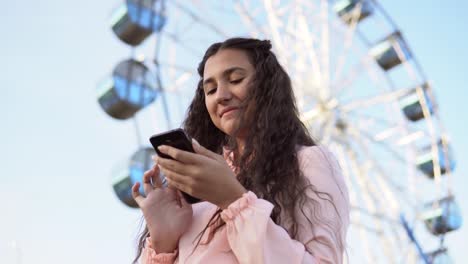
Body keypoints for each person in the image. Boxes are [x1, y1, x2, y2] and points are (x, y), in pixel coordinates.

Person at [131, 37, 350, 264]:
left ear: (267, 84)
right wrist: (163, 241)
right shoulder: (195, 191)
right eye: (211, 89)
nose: (221, 96)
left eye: (236, 79)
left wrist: (234, 201)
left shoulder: (307, 162)